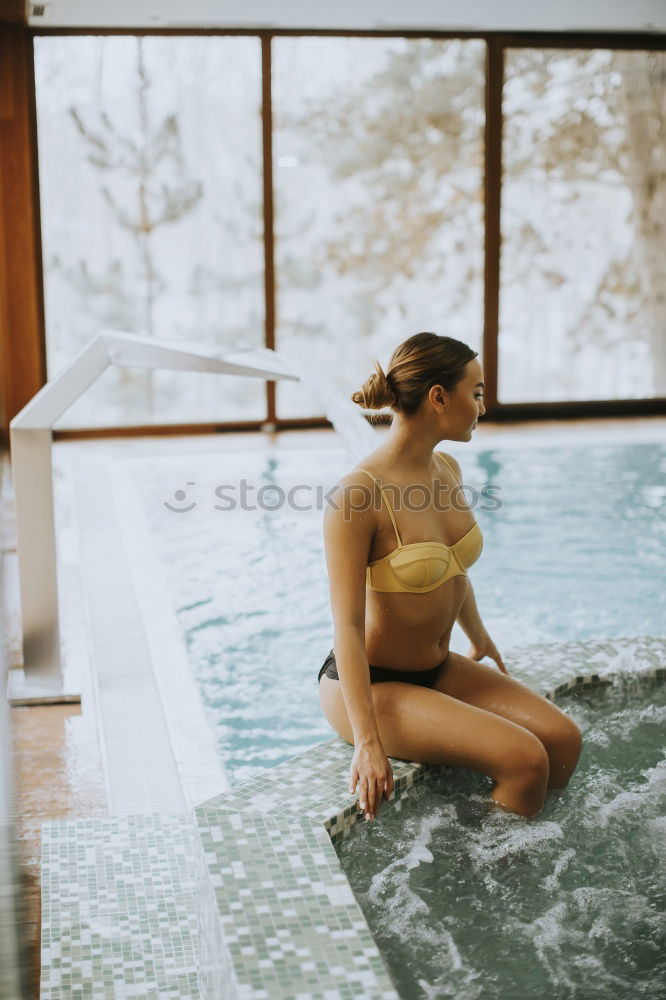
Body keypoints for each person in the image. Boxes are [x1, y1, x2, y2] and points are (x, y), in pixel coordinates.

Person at [318, 332, 581, 823]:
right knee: (525, 760)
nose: (483, 405)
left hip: (436, 667)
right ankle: (492, 877)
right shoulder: (357, 495)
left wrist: (477, 636)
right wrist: (368, 741)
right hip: (374, 685)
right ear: (439, 396)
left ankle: (535, 839)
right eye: (477, 392)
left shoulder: (446, 468)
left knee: (563, 740)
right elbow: (347, 629)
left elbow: (451, 568)